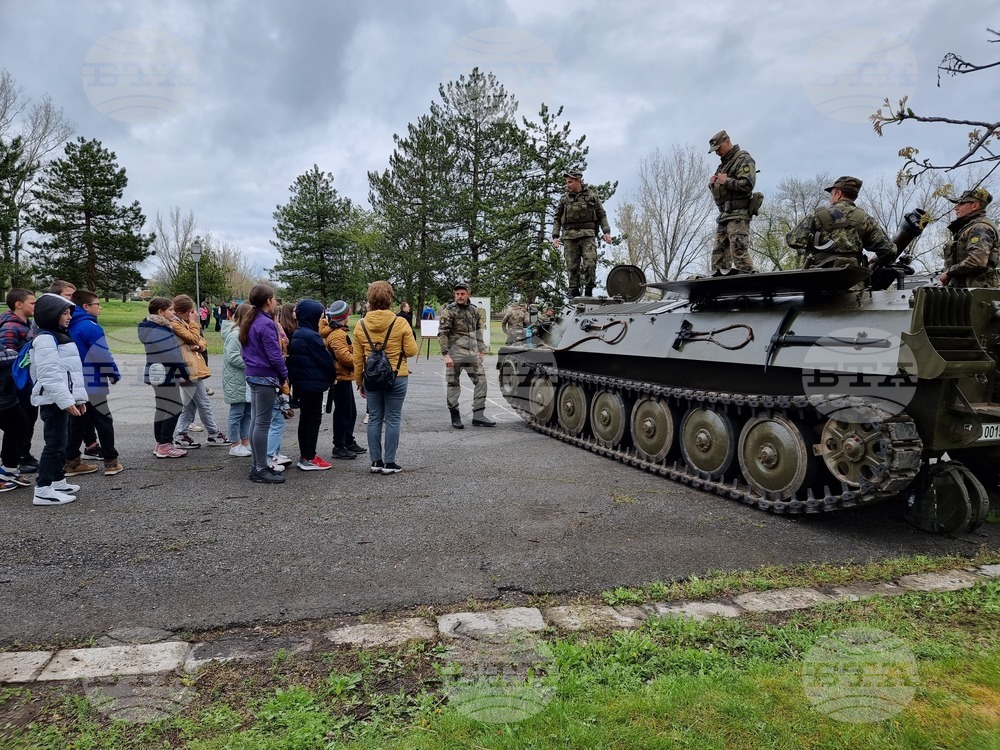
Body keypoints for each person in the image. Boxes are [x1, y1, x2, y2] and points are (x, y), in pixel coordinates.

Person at [27, 293, 88, 505]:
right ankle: (43, 489)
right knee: (54, 443)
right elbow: (49, 374)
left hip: (61, 399)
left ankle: (57, 480)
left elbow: (70, 372)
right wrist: (66, 401)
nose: (69, 316)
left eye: (69, 312)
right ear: (51, 314)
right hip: (53, 400)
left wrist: (77, 398)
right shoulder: (45, 339)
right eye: (64, 313)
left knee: (62, 442)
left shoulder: (58, 335)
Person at [354, 280, 418, 474]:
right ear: (390, 299)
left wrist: (360, 382)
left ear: (370, 300)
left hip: (371, 378)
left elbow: (358, 359)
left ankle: (376, 461)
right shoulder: (400, 323)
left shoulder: (360, 325)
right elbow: (412, 350)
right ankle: (390, 463)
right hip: (397, 376)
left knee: (374, 418)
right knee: (393, 418)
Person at [66, 290, 123, 477]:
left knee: (77, 422)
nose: (100, 308)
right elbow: (101, 354)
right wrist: (113, 373)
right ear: (86, 307)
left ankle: (71, 461)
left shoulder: (67, 325)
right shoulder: (90, 326)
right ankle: (110, 461)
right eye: (97, 304)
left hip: (74, 382)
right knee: (103, 420)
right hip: (92, 380)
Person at [786, 176, 896, 270]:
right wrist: (878, 257)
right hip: (852, 282)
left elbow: (792, 241)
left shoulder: (817, 215)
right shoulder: (865, 219)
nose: (830, 198)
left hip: (817, 283)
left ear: (838, 194)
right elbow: (889, 251)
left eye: (831, 194)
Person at [239, 284, 288, 484]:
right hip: (264, 377)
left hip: (253, 374)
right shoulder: (265, 323)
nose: (275, 302)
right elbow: (274, 354)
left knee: (256, 421)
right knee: (262, 423)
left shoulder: (251, 320)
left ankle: (259, 465)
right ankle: (260, 467)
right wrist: (283, 374)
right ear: (268, 301)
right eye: (274, 298)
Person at [169, 295, 228, 449]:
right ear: (183, 312)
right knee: (203, 403)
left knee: (190, 405)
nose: (192, 314)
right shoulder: (175, 324)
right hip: (187, 368)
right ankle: (213, 434)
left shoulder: (183, 322)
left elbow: (201, 340)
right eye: (190, 312)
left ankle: (181, 435)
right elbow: (194, 337)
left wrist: (198, 346)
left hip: (192, 367)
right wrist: (194, 324)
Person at [138, 298, 190, 459]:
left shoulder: (150, 326)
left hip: (157, 371)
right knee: (174, 405)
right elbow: (172, 355)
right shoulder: (160, 329)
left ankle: (161, 442)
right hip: (164, 372)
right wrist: (184, 372)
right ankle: (165, 444)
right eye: (171, 310)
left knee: (163, 406)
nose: (174, 313)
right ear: (160, 312)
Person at [438, 282, 495, 429]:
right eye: (457, 294)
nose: (459, 296)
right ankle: (455, 416)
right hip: (454, 354)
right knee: (453, 385)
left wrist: (481, 350)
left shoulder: (474, 310)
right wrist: (446, 355)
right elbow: (442, 333)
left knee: (481, 381)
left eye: (462, 294)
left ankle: (478, 415)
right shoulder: (449, 311)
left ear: (468, 294)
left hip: (471, 354)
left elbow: (478, 331)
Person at [287, 299, 335, 471]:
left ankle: (306, 454)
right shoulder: (311, 336)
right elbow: (325, 360)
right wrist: (331, 377)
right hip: (312, 383)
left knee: (305, 419)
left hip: (302, 383)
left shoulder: (299, 333)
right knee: (313, 419)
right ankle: (309, 456)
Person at [552, 169, 612, 298]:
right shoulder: (564, 200)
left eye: (570, 182)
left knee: (590, 264)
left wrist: (606, 232)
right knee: (572, 267)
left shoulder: (592, 196)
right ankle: (574, 293)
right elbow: (557, 218)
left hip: (587, 235)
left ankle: (589, 289)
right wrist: (555, 236)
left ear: (578, 181)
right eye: (566, 182)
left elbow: (601, 215)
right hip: (569, 237)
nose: (567, 185)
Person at [320, 300, 365, 460]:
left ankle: (348, 440)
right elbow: (344, 358)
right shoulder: (337, 334)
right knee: (343, 413)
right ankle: (339, 445)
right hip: (340, 378)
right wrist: (360, 361)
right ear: (345, 316)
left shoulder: (339, 332)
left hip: (344, 377)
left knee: (350, 412)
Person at [0, 288, 39, 474]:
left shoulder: (29, 325)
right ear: (18, 304)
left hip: (28, 383)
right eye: (32, 303)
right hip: (17, 386)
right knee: (19, 424)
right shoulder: (9, 327)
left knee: (29, 420)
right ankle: (15, 459)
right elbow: (7, 360)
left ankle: (24, 453)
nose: (35, 306)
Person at [708, 130, 757, 274]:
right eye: (715, 151)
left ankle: (752, 287)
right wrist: (713, 185)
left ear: (727, 142)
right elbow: (722, 192)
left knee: (739, 254)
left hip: (738, 215)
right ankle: (719, 292)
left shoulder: (743, 159)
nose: (717, 153)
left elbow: (748, 184)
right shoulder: (723, 164)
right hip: (724, 216)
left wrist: (726, 180)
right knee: (718, 257)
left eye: (718, 149)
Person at [939, 187, 999, 288]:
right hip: (968, 290)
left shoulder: (980, 228)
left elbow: (977, 260)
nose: (956, 208)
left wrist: (949, 273)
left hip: (978, 292)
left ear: (975, 205)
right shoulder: (968, 228)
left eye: (961, 204)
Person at [222, 303, 253, 458]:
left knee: (247, 413)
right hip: (236, 380)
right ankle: (234, 443)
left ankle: (245, 441)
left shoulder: (245, 333)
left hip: (244, 380)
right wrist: (251, 364)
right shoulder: (235, 335)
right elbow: (232, 357)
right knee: (237, 413)